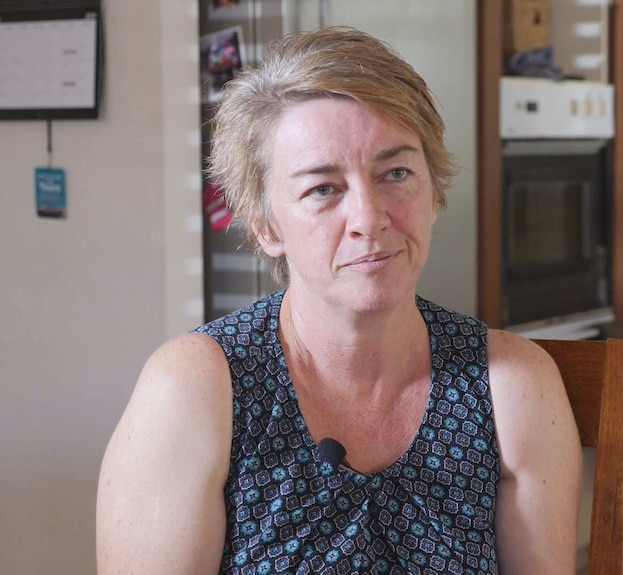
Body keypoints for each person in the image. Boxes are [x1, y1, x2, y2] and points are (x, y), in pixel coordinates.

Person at [96, 26, 581, 575]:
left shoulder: (512, 385)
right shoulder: (194, 388)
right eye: (322, 189)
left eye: (395, 173)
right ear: (265, 227)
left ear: (435, 191)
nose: (369, 219)